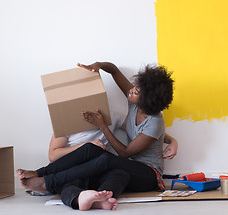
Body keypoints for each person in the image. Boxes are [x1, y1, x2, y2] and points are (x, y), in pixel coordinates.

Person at [17, 62, 176, 211]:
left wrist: (102, 126)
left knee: (107, 160)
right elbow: (113, 70)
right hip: (129, 167)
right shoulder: (135, 102)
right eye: (136, 87)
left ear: (147, 101)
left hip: (149, 174)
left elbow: (125, 153)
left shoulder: (155, 122)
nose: (132, 90)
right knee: (95, 153)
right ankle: (44, 174)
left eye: (137, 91)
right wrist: (98, 65)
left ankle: (48, 183)